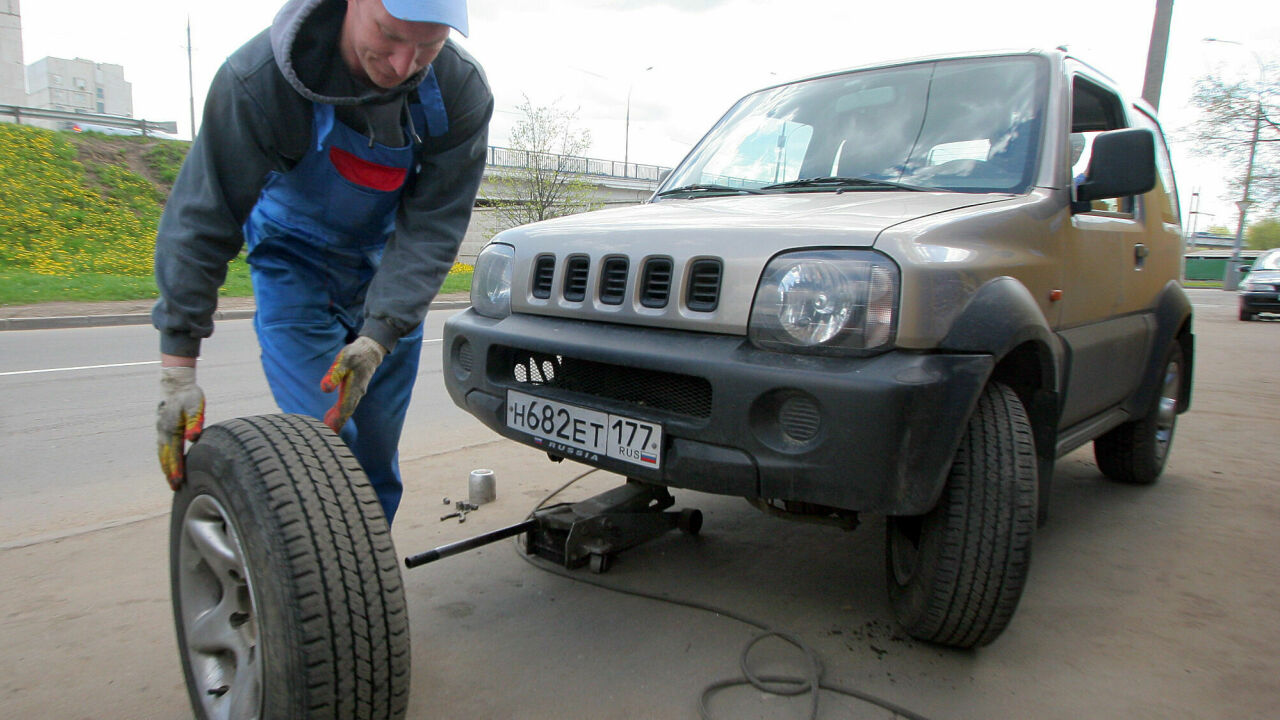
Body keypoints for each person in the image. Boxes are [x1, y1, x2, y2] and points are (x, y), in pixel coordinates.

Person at [152, 0, 493, 524]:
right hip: (295, 270)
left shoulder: (458, 90)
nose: (404, 65)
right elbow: (203, 219)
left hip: (388, 279)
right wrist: (179, 368)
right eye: (389, 35)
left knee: (375, 462)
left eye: (429, 46)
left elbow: (432, 224)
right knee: (324, 446)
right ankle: (314, 575)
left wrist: (382, 332)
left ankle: (362, 592)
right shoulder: (258, 82)